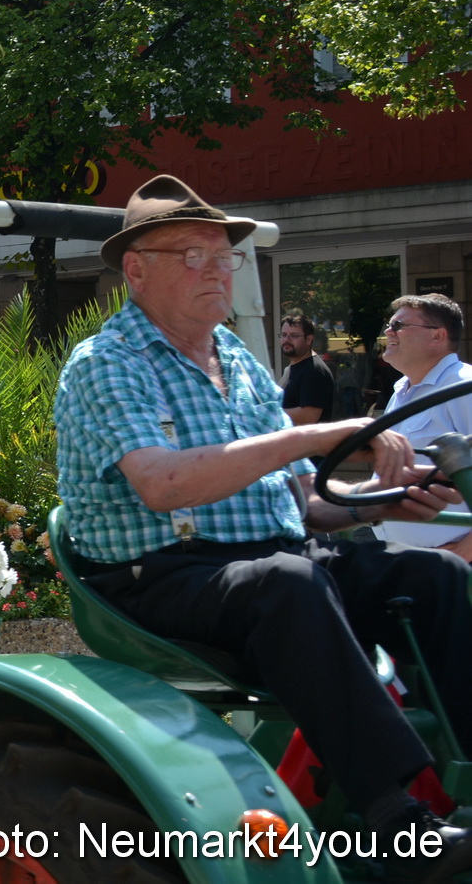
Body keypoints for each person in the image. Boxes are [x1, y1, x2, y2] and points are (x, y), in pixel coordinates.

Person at [55, 174, 472, 859]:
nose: (216, 271)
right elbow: (160, 484)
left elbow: (304, 505)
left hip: (268, 563)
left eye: (224, 256)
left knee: (430, 574)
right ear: (135, 269)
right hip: (157, 575)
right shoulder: (106, 361)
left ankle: (458, 778)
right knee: (287, 581)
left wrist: (387, 500)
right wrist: (314, 434)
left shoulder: (241, 363)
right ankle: (393, 819)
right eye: (192, 255)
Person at [372, 293, 472, 560]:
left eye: (399, 326)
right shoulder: (402, 392)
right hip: (408, 562)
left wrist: (463, 553)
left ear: (437, 336)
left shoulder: (463, 387)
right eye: (389, 324)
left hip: (455, 568)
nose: (388, 331)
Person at [277, 315, 336, 426]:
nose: (286, 340)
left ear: (309, 339)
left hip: (310, 442)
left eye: (293, 336)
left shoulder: (314, 370)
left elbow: (308, 416)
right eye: (284, 335)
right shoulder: (291, 368)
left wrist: (270, 413)